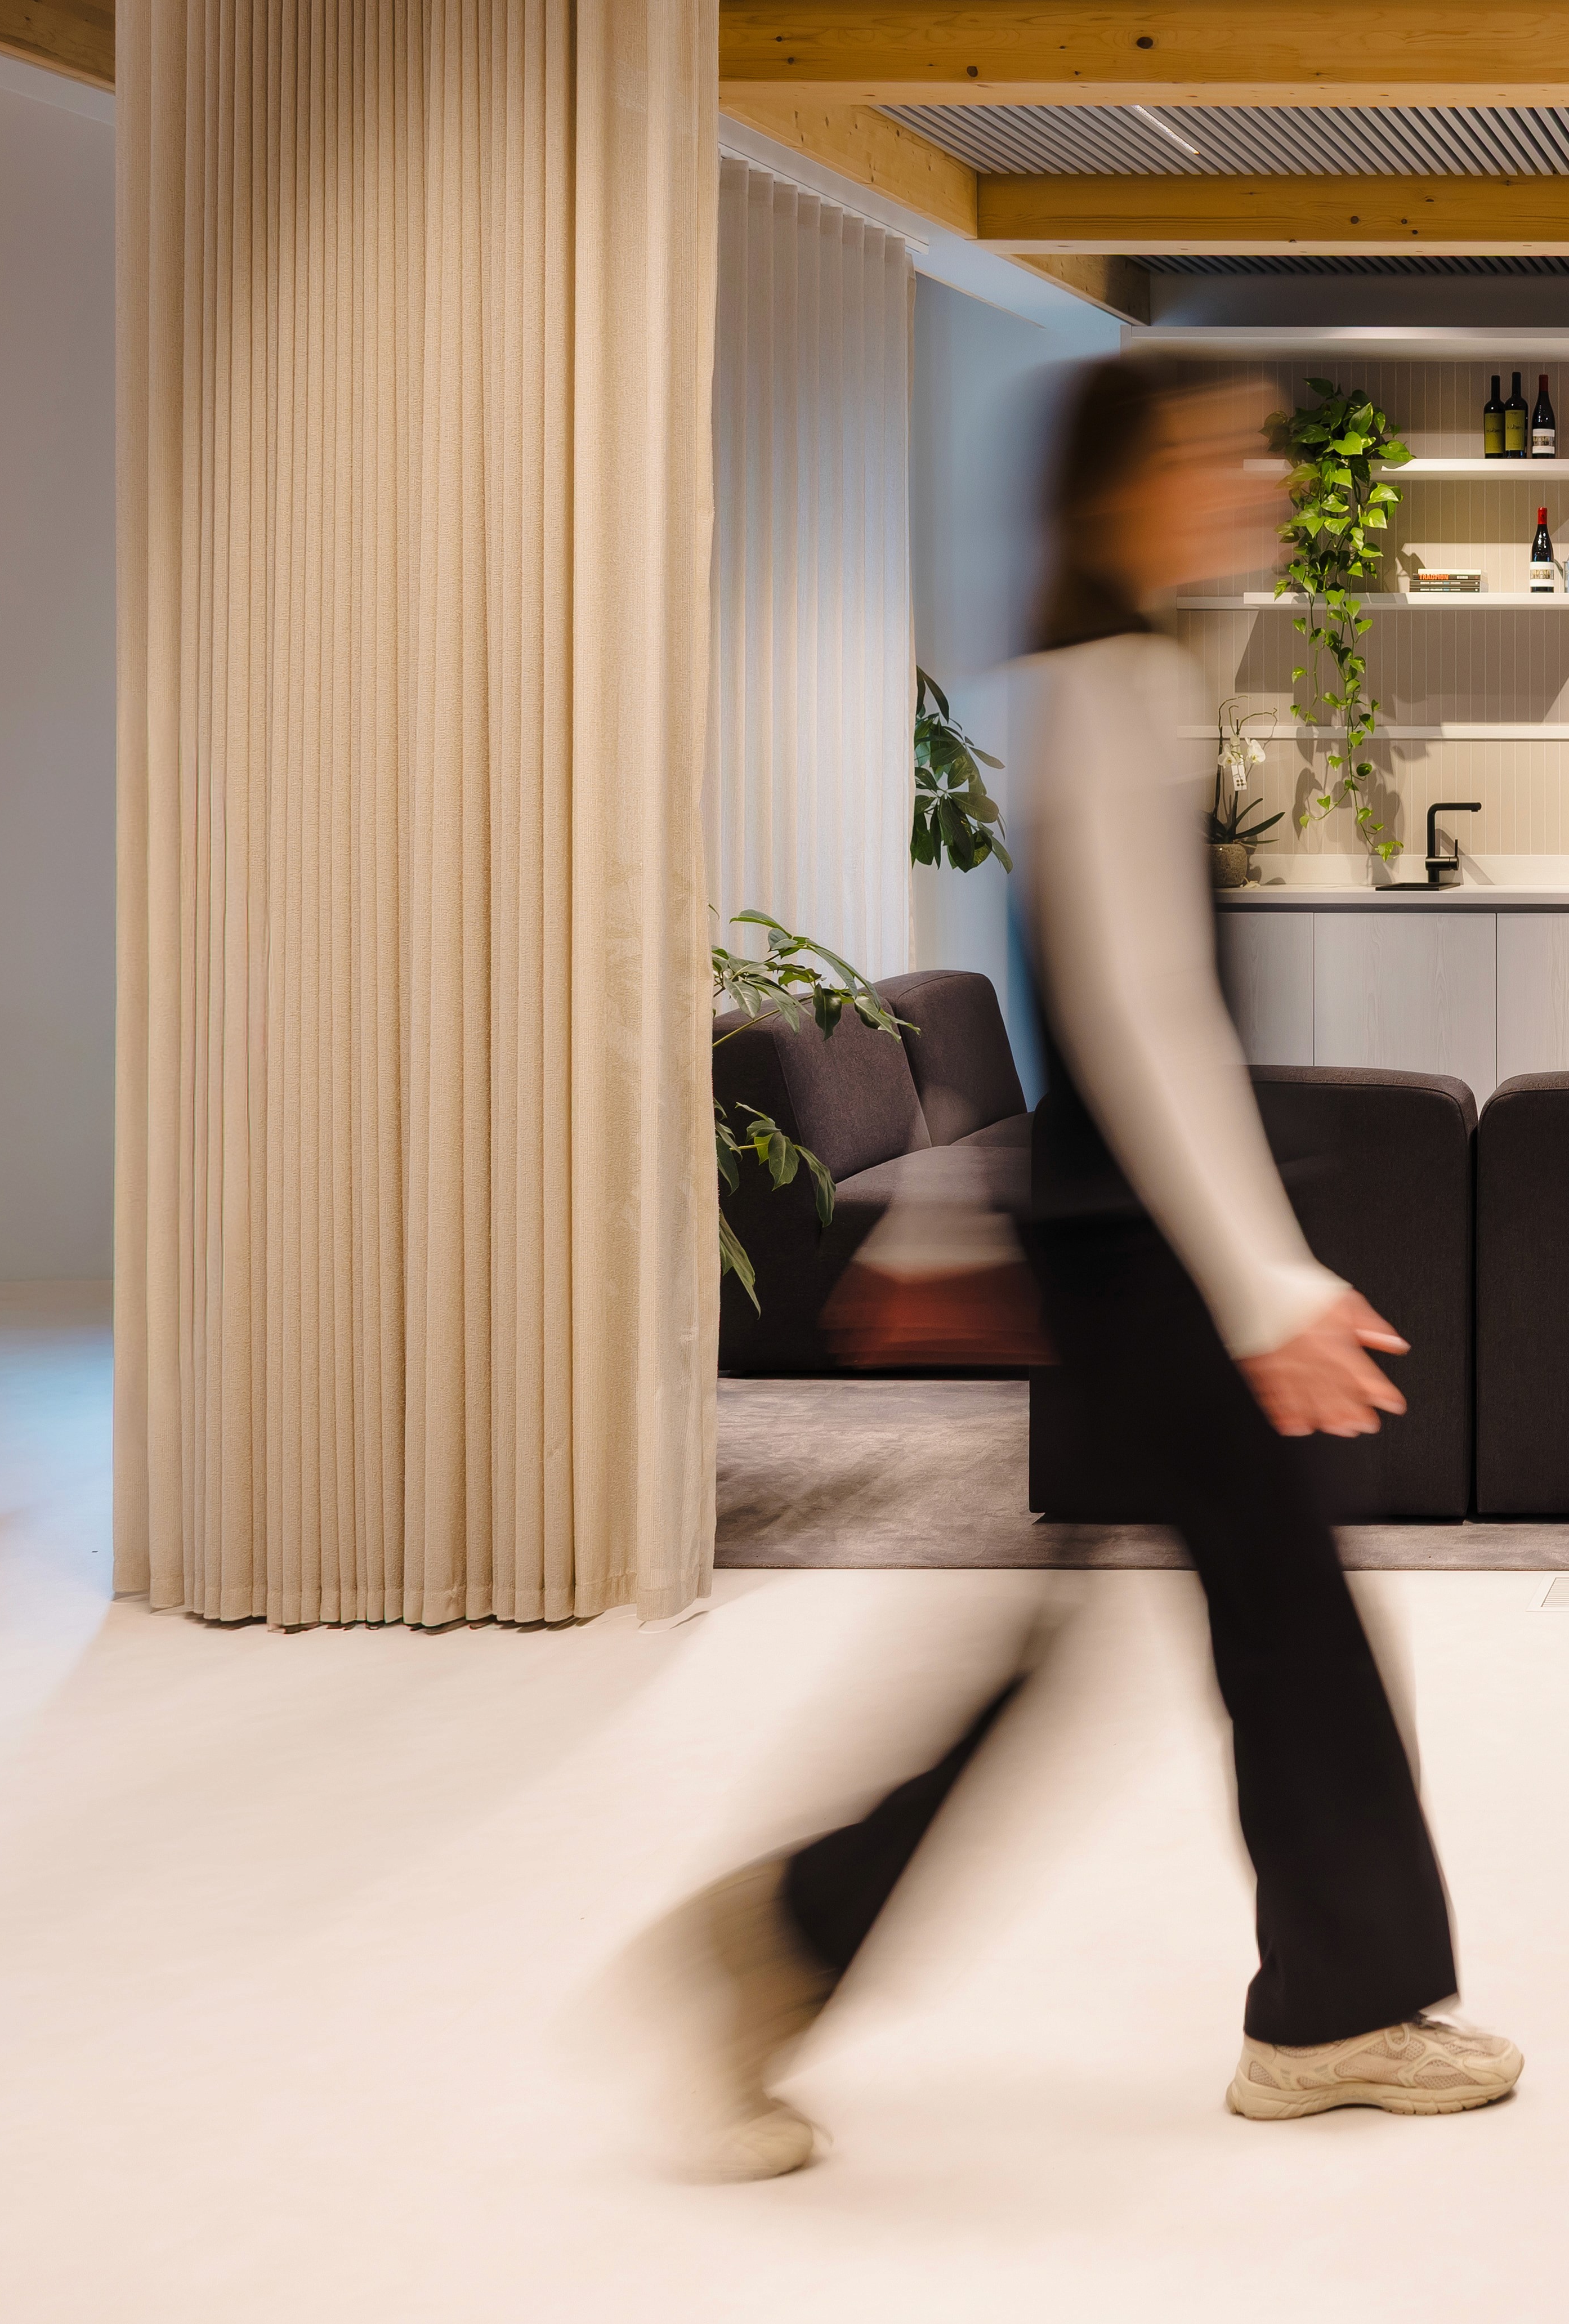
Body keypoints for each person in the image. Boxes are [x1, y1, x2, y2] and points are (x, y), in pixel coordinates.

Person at [636, 360, 1521, 2180]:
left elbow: (1052, 1004)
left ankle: (797, 1938)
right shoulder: (1121, 687)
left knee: (1161, 1632)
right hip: (1156, 1266)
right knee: (1280, 1620)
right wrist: (1264, 1278)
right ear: (1116, 490)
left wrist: (958, 1226)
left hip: (1123, 1249)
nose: (1253, 479)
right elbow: (1134, 1011)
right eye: (1215, 451)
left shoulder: (1088, 681)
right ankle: (1321, 2012)